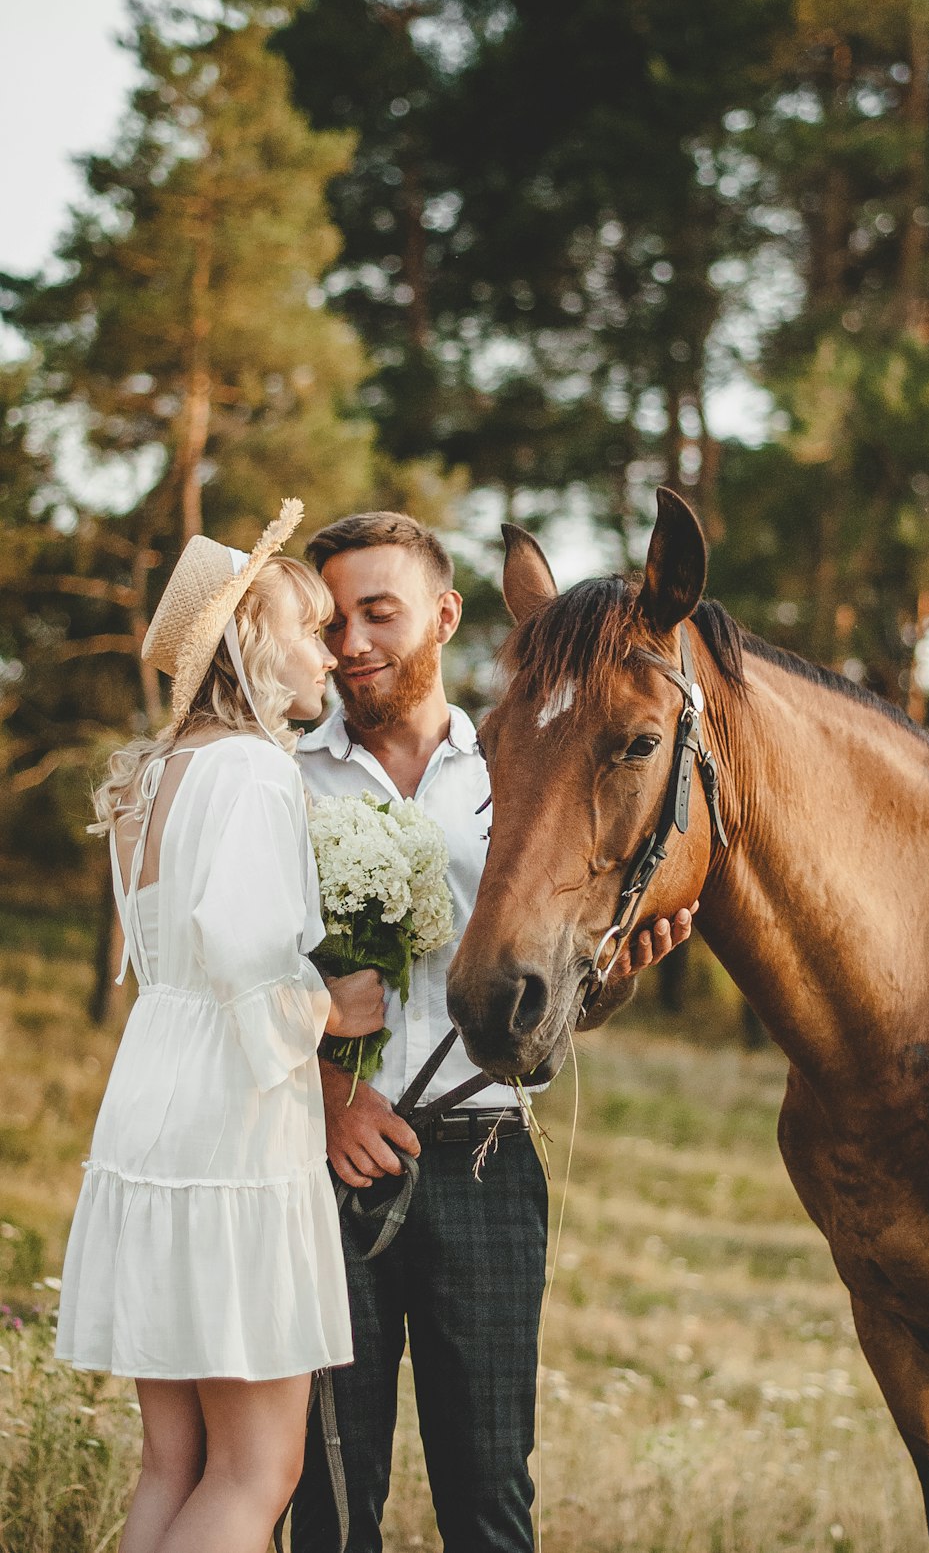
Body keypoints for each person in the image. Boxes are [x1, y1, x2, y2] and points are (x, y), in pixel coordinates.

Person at [291, 510, 694, 1553]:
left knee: (490, 1497)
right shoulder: (287, 779)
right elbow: (243, 978)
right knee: (332, 1496)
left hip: (486, 1160)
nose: (352, 643)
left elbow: (549, 1001)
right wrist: (329, 1100)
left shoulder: (520, 766)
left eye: (380, 613)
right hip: (329, 1170)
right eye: (335, 619)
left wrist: (612, 984)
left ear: (444, 614)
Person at [55, 501, 386, 1553]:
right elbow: (246, 954)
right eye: (308, 630)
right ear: (249, 646)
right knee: (257, 1469)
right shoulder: (251, 769)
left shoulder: (155, 774)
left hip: (154, 1099)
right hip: (231, 1126)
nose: (330, 656)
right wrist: (334, 1009)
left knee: (176, 1462)